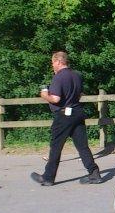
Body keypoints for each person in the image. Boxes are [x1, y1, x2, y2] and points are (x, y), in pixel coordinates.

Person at [31, 51, 102, 186]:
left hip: (63, 115)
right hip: (77, 112)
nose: (52, 66)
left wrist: (44, 94)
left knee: (56, 146)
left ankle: (48, 177)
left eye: (53, 63)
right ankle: (94, 173)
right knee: (82, 146)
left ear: (58, 61)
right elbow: (80, 94)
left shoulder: (58, 77)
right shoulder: (77, 75)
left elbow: (55, 99)